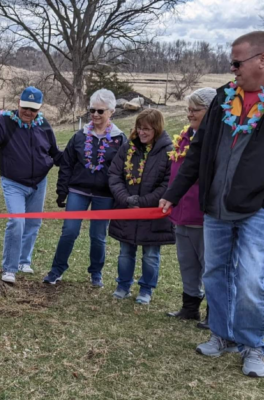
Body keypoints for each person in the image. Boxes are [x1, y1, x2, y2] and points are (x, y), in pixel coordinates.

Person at [160, 31, 264, 378]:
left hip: (255, 209)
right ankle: (222, 335)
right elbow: (198, 152)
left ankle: (254, 345)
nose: (232, 68)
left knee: (250, 279)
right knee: (215, 274)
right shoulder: (222, 98)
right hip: (215, 206)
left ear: (261, 60)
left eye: (237, 62)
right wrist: (173, 194)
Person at [43, 89, 127, 286]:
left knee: (98, 236)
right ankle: (57, 269)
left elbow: (123, 170)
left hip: (105, 194)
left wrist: (120, 195)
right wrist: (62, 190)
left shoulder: (119, 139)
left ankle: (96, 272)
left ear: (111, 112)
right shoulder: (79, 136)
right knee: (69, 231)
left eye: (100, 111)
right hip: (78, 190)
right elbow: (67, 164)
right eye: (92, 110)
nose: (95, 115)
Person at [0, 86, 62, 284]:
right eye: (25, 107)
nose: (28, 112)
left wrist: (71, 158)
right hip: (13, 183)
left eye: (33, 109)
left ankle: (23, 261)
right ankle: (9, 268)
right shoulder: (5, 122)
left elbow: (54, 151)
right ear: (18, 103)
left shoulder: (43, 124)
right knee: (17, 222)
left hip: (39, 182)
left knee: (34, 223)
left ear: (39, 109)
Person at [108, 109, 174, 305]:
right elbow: (114, 175)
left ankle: (146, 288)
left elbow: (168, 183)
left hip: (153, 213)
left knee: (151, 254)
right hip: (127, 209)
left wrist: (143, 202)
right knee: (125, 251)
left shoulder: (169, 151)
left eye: (147, 129)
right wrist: (127, 199)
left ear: (157, 129)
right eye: (139, 128)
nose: (142, 132)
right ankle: (123, 285)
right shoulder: (128, 148)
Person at [166, 88, 216, 328]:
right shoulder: (185, 136)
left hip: (203, 215)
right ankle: (190, 307)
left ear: (211, 111)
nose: (189, 114)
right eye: (188, 109)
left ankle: (214, 314)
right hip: (181, 214)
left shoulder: (215, 139)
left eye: (195, 110)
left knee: (209, 267)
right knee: (187, 263)